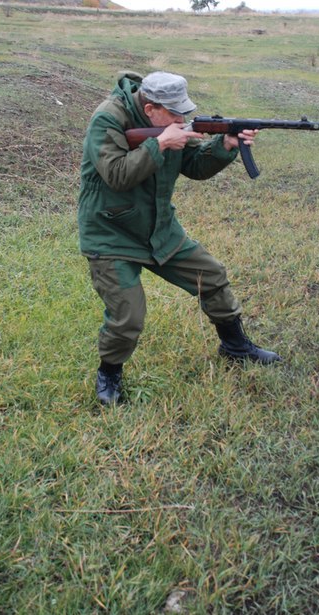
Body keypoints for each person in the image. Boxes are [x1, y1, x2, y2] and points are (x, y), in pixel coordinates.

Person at [78, 70, 281, 405]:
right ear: (150, 109)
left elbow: (194, 166)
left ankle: (235, 346)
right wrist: (158, 143)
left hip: (159, 229)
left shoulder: (169, 126)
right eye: (174, 114)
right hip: (111, 234)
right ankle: (109, 373)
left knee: (211, 276)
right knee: (129, 315)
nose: (181, 121)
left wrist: (224, 146)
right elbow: (116, 175)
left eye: (183, 113)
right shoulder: (108, 119)